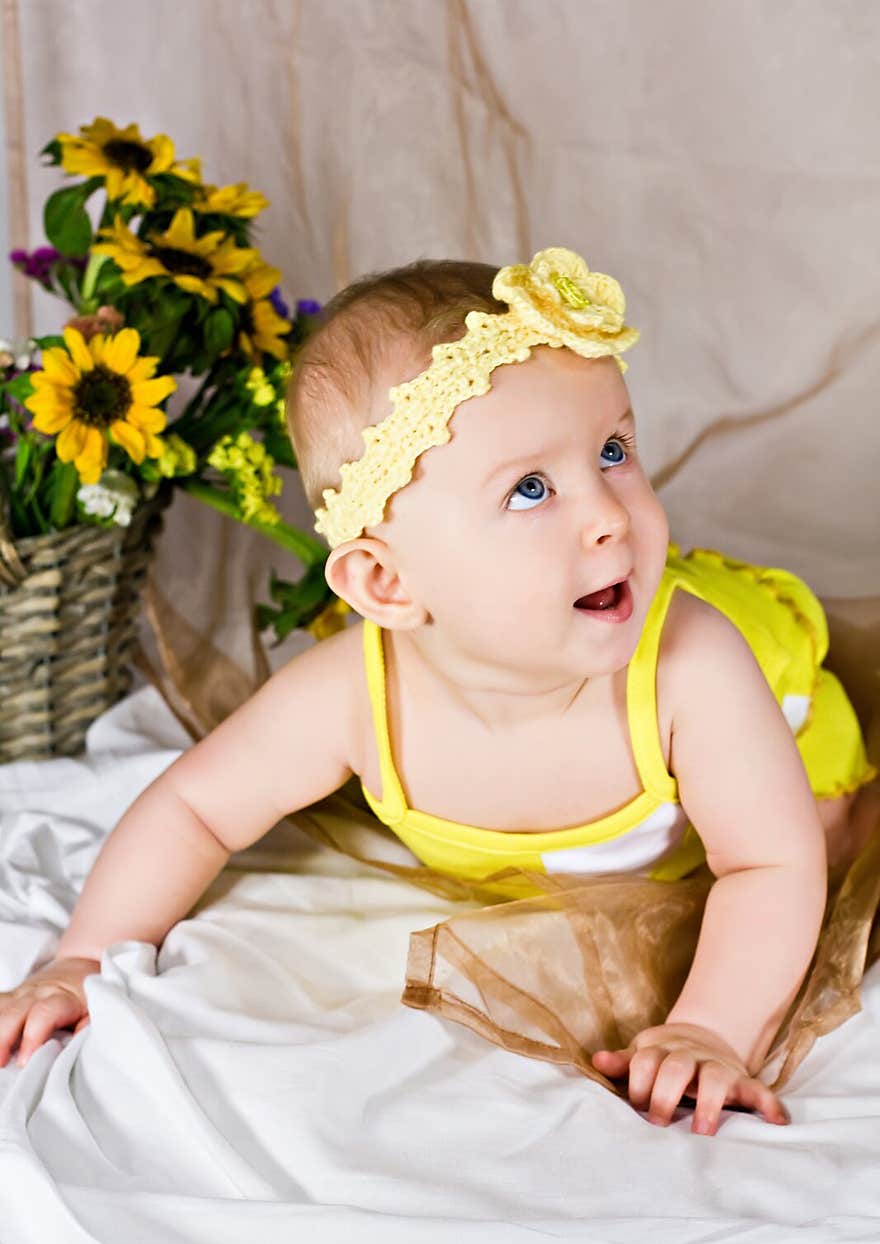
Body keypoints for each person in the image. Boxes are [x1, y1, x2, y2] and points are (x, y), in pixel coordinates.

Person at [1, 247, 877, 1140]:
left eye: (613, 450)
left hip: (779, 705)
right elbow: (194, 806)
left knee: (827, 833)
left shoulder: (692, 667)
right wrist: (80, 959)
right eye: (531, 488)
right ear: (386, 586)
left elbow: (769, 866)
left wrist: (709, 1029)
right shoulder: (354, 694)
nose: (609, 511)